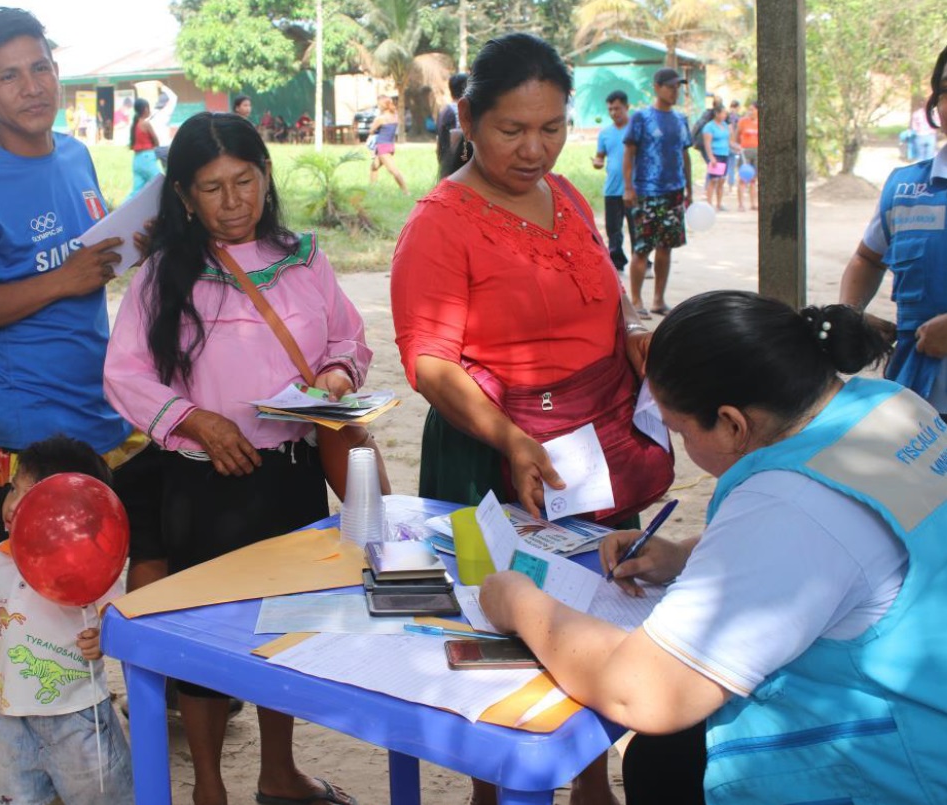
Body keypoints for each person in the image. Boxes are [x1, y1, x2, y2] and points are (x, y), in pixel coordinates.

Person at [480, 289, 947, 804]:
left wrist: (519, 603)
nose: (681, 443)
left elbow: (644, 691)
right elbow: (852, 543)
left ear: (731, 423)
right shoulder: (888, 406)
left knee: (664, 752)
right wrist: (686, 554)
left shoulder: (791, 504)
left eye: (678, 430)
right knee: (663, 759)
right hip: (919, 694)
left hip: (894, 766)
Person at [390, 34, 673, 805]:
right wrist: (510, 438)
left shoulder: (569, 196)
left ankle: (589, 779)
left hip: (593, 440)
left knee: (600, 600)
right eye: (513, 130)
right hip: (494, 449)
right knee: (508, 629)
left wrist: (633, 333)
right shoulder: (441, 223)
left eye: (551, 128)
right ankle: (498, 789)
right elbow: (430, 362)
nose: (535, 148)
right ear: (468, 117)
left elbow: (607, 287)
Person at [104, 111, 368, 805]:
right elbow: (125, 373)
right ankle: (209, 786)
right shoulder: (163, 275)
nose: (232, 201)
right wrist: (193, 419)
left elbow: (347, 338)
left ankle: (278, 774)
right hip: (205, 482)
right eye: (212, 188)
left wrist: (337, 378)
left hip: (291, 475)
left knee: (282, 632)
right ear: (185, 197)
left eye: (244, 180)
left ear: (265, 175)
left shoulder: (304, 257)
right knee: (205, 640)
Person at [0, 8, 165, 593]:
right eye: (9, 77)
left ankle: (156, 687)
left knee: (158, 549)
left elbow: (92, 254)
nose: (32, 87)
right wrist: (63, 279)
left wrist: (142, 244)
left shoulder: (74, 155)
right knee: (43, 596)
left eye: (41, 68)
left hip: (107, 405)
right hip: (27, 425)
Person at [0, 435, 133, 804]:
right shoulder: (4, 557)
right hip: (11, 716)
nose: (11, 506)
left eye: (29, 498)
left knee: (104, 797)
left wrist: (104, 636)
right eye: (13, 489)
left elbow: (118, 616)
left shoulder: (90, 567)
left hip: (76, 717)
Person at [840, 44, 947, 419]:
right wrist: (851, 313)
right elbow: (867, 258)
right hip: (916, 398)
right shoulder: (905, 188)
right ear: (935, 104)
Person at [623, 66, 693, 319]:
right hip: (647, 192)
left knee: (667, 247)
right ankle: (636, 300)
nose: (675, 92)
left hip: (674, 191)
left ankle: (658, 300)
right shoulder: (642, 118)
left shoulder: (680, 120)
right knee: (642, 248)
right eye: (671, 87)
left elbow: (685, 155)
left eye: (677, 88)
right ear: (657, 87)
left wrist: (689, 189)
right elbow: (629, 153)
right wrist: (628, 187)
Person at [593, 89, 638, 271]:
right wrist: (597, 163)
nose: (614, 113)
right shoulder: (605, 134)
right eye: (610, 109)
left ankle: (641, 262)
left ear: (627, 107)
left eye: (617, 109)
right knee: (613, 230)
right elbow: (600, 157)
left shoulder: (636, 130)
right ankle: (617, 263)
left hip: (634, 189)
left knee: (637, 229)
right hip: (611, 189)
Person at [368, 94, 409, 194]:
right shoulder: (394, 116)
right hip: (390, 146)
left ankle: (406, 192)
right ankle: (372, 191)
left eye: (378, 104)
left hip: (382, 147)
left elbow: (371, 130)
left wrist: (374, 126)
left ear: (382, 105)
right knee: (374, 166)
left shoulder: (381, 118)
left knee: (393, 170)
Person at [436, 72, 468, 179]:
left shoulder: (444, 110)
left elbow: (438, 139)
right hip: (455, 165)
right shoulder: (459, 110)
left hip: (445, 160)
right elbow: (455, 139)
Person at [128, 97, 161, 198]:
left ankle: (120, 212)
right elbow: (156, 141)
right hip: (147, 158)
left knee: (135, 193)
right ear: (146, 109)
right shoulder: (146, 123)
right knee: (161, 184)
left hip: (137, 160)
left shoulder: (135, 124)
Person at [702, 104, 732, 211]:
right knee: (713, 180)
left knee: (722, 180)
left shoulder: (725, 125)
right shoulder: (709, 127)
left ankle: (719, 204)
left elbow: (728, 141)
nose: (725, 115)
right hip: (716, 155)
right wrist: (711, 157)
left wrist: (735, 146)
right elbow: (707, 143)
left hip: (725, 154)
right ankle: (709, 204)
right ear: (717, 113)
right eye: (723, 113)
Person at [732, 101, 759, 211]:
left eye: (752, 109)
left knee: (753, 179)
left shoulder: (760, 122)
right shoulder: (742, 122)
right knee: (743, 178)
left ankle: (753, 203)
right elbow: (736, 137)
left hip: (757, 152)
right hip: (745, 152)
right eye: (749, 109)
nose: (750, 112)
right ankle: (741, 204)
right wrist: (738, 147)